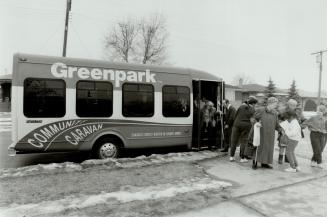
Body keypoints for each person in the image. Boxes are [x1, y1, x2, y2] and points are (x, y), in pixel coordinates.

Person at [252, 97, 283, 169]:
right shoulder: (261, 110)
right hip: (261, 133)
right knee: (259, 148)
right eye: (275, 103)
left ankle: (264, 163)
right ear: (270, 103)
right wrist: (256, 123)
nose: (276, 105)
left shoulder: (275, 113)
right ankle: (255, 162)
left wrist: (280, 129)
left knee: (268, 148)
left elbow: (276, 124)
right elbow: (253, 118)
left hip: (270, 134)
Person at [230, 96, 257, 162]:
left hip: (236, 125)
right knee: (244, 142)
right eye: (255, 104)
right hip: (246, 126)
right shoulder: (253, 110)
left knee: (233, 141)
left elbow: (235, 115)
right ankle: (242, 158)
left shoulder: (241, 106)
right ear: (253, 104)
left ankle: (231, 157)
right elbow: (253, 120)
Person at [278, 99, 306, 164]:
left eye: (294, 105)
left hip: (294, 132)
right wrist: (283, 125)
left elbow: (304, 120)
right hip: (284, 131)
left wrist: (301, 126)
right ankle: (280, 159)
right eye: (291, 105)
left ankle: (287, 159)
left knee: (290, 145)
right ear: (288, 104)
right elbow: (278, 120)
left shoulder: (298, 112)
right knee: (282, 145)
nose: (293, 106)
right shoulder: (282, 111)